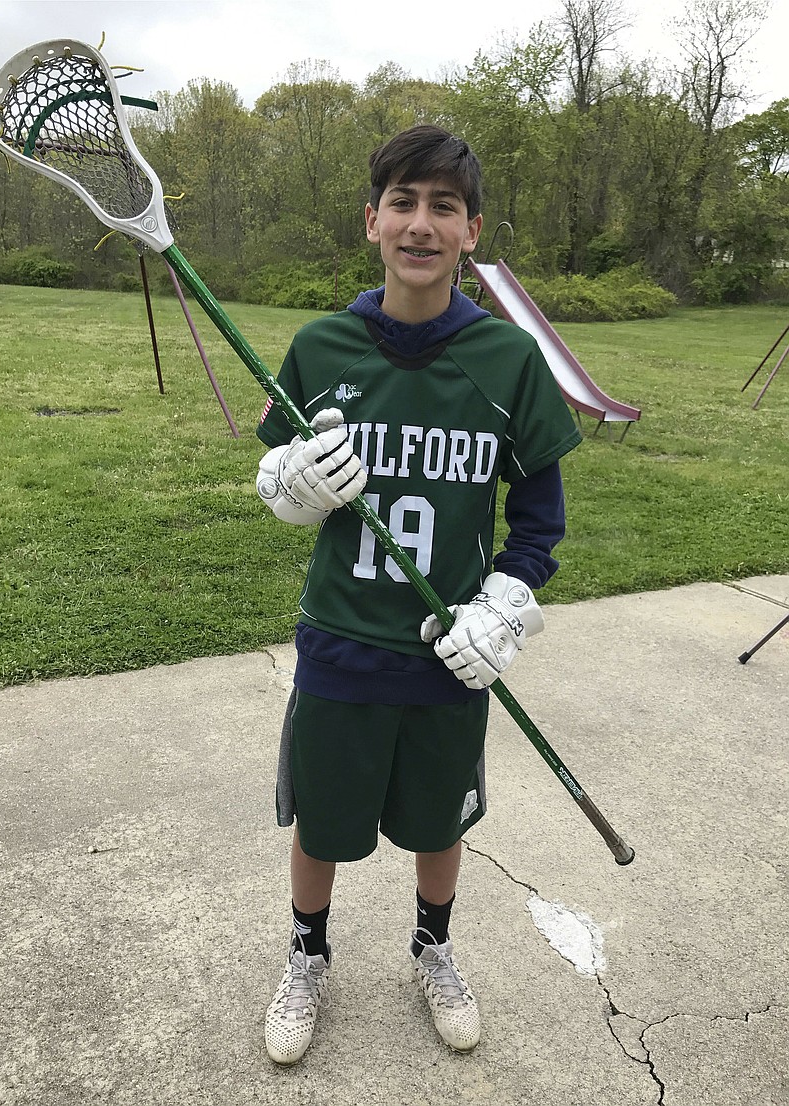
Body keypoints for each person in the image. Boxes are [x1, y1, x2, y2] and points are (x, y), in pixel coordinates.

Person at [255, 124, 582, 1065]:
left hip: (449, 652)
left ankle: (433, 947)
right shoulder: (320, 348)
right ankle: (307, 953)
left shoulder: (507, 361)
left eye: (444, 206)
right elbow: (274, 476)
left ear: (472, 230)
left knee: (441, 820)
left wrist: (504, 609)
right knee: (322, 819)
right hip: (341, 646)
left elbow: (540, 525)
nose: (421, 224)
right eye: (403, 202)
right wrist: (292, 484)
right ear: (372, 221)